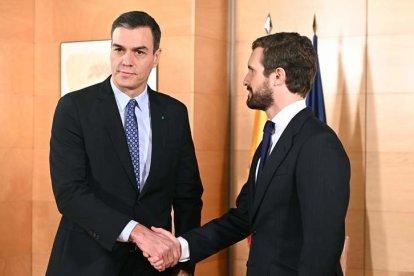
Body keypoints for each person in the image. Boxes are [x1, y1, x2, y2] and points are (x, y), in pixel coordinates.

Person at [150, 32, 350, 275]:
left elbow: (322, 247)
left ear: (278, 76)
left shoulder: (318, 145)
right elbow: (243, 218)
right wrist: (180, 247)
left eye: (252, 70)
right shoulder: (271, 139)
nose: (245, 79)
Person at [47, 11, 203, 276]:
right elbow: (69, 193)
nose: (126, 61)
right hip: (85, 263)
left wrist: (186, 265)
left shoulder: (175, 113)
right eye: (119, 49)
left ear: (156, 57)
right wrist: (137, 232)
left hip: (152, 268)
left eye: (139, 52)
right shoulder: (74, 108)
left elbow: (187, 195)